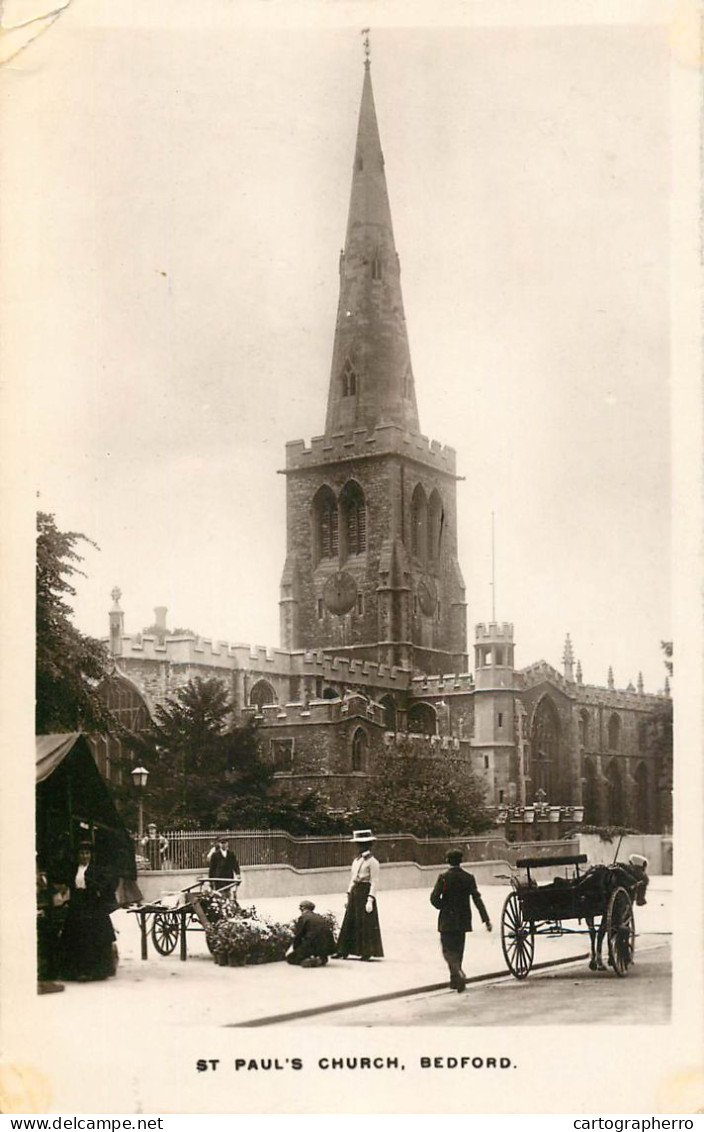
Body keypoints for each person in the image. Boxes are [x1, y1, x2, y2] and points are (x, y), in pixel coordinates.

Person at [430, 848, 492, 992]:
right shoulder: (468, 877)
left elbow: (434, 898)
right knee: (458, 950)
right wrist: (486, 919)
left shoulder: (444, 878)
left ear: (447, 861)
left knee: (447, 951)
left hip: (447, 919)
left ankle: (458, 973)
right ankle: (455, 981)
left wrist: (442, 907)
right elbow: (477, 899)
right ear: (461, 861)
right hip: (463, 920)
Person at [60, 843, 118, 982]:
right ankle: (77, 971)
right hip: (77, 906)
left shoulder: (96, 870)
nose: (84, 856)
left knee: (94, 937)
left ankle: (95, 971)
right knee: (76, 937)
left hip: (93, 906)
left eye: (87, 853)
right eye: (81, 853)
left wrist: (97, 891)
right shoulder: (74, 870)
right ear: (77, 855)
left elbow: (106, 885)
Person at [333, 829, 384, 961]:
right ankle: (343, 950)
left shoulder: (373, 862)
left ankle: (366, 951)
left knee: (365, 922)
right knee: (349, 920)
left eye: (362, 844)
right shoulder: (356, 861)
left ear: (368, 845)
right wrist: (348, 894)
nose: (359, 847)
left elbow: (374, 882)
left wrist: (370, 899)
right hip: (355, 892)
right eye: (358, 844)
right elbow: (353, 878)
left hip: (365, 892)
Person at [286, 901, 337, 968]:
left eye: (300, 907)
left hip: (313, 945)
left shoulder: (303, 917)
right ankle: (321, 959)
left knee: (290, 958)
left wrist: (296, 950)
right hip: (327, 946)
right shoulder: (319, 916)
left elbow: (298, 936)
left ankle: (308, 960)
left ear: (303, 908)